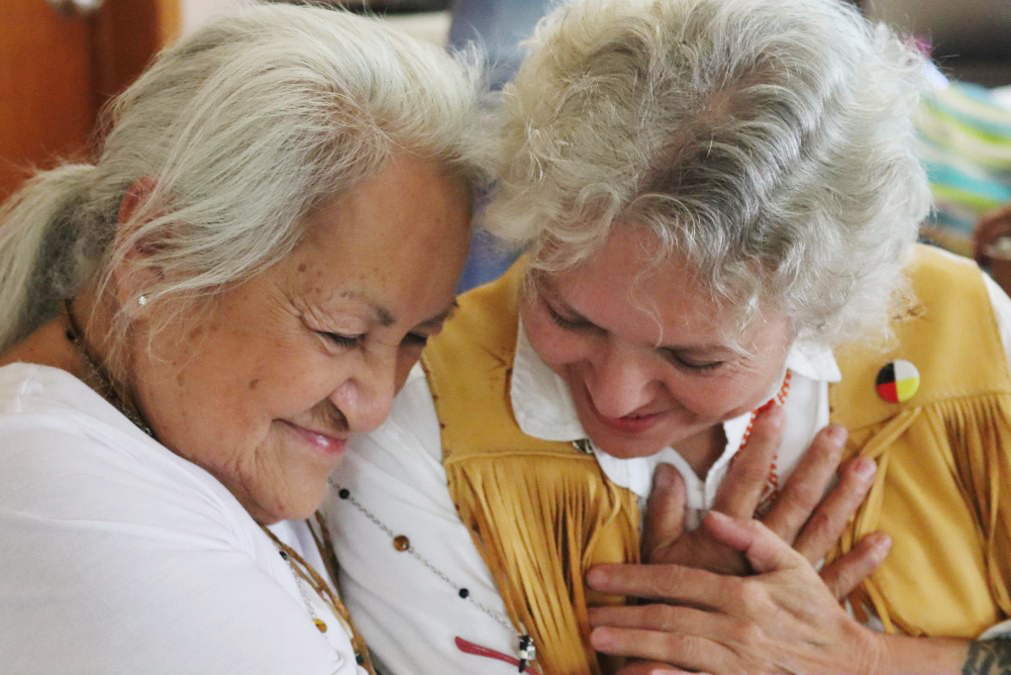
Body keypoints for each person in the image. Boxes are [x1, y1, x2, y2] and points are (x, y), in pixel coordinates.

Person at [325, 0, 1011, 673]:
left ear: (821, 306)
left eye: (694, 356)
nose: (617, 396)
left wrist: (863, 658)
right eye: (569, 317)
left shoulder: (966, 333)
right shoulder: (421, 419)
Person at [0, 5, 491, 674]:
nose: (374, 407)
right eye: (339, 333)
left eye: (415, 339)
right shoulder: (50, 492)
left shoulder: (192, 424)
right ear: (155, 251)